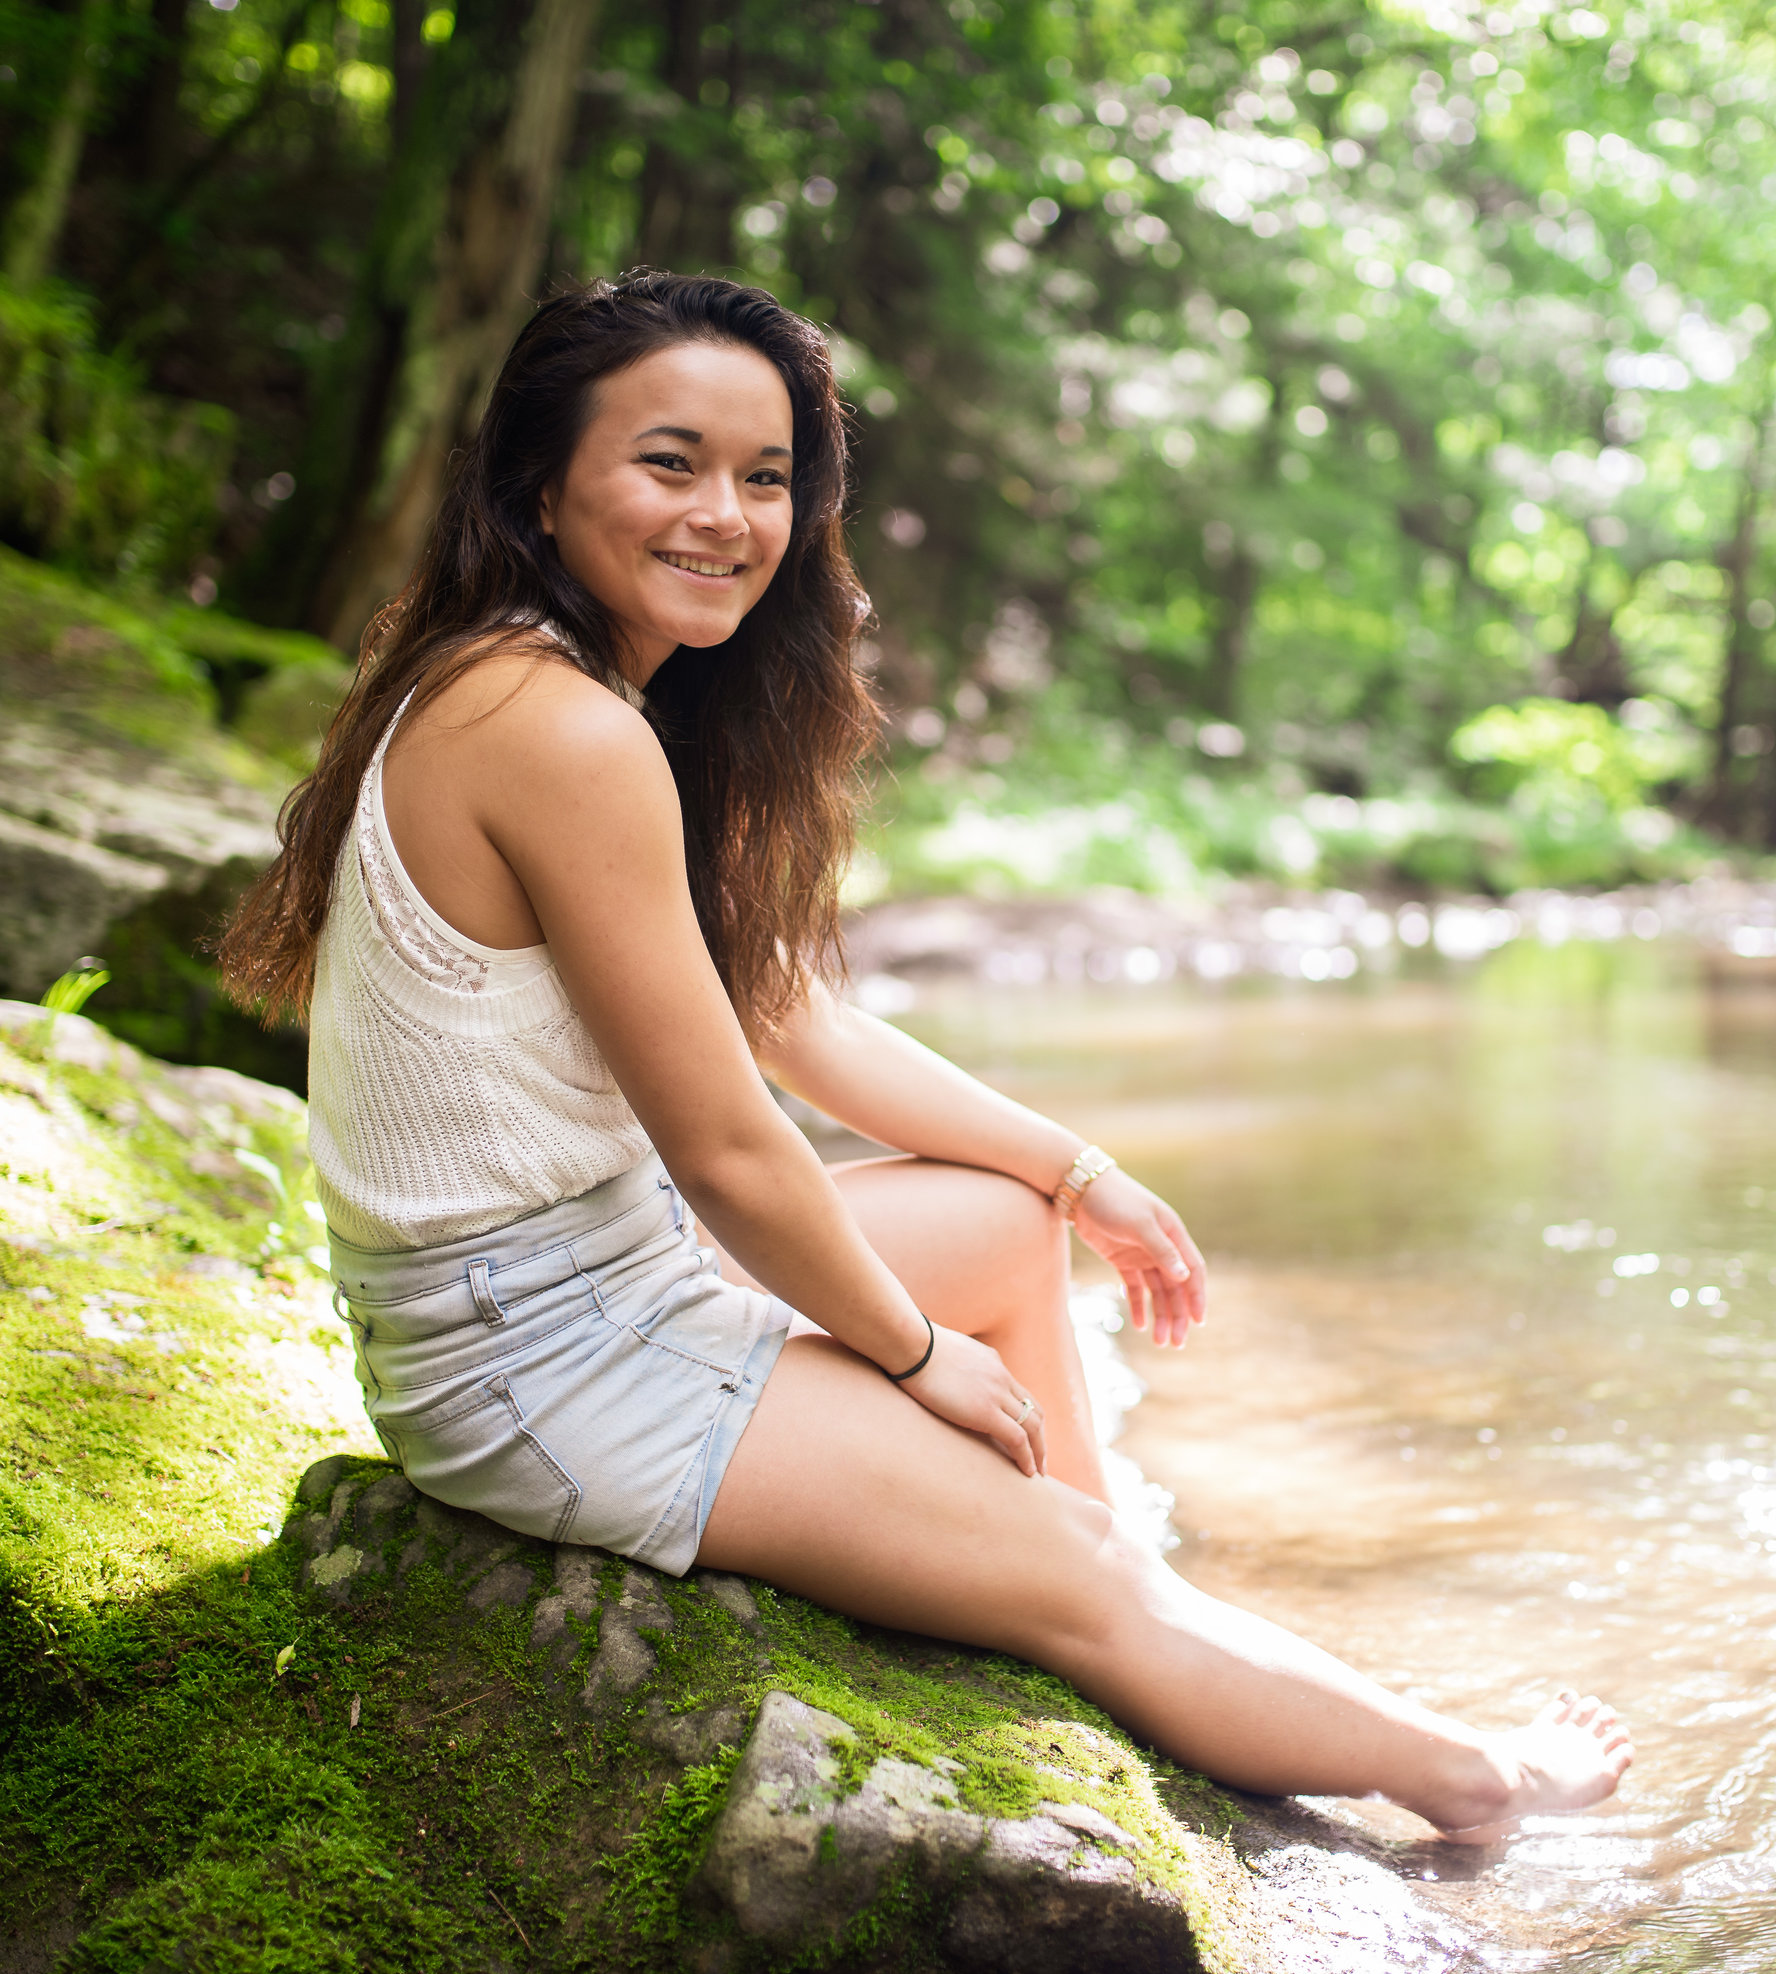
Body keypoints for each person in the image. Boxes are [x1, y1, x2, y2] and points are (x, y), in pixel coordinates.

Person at [222, 269, 1632, 1835]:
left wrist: (1073, 1169)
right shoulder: (554, 727)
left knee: (1002, 1223)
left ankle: (1118, 1608)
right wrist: (910, 1355)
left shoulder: (547, 681)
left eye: (766, 478)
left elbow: (783, 1012)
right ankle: (1475, 1779)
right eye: (668, 462)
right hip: (537, 1358)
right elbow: (734, 1149)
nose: (726, 515)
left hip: (598, 1271)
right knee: (1076, 1561)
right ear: (542, 486)